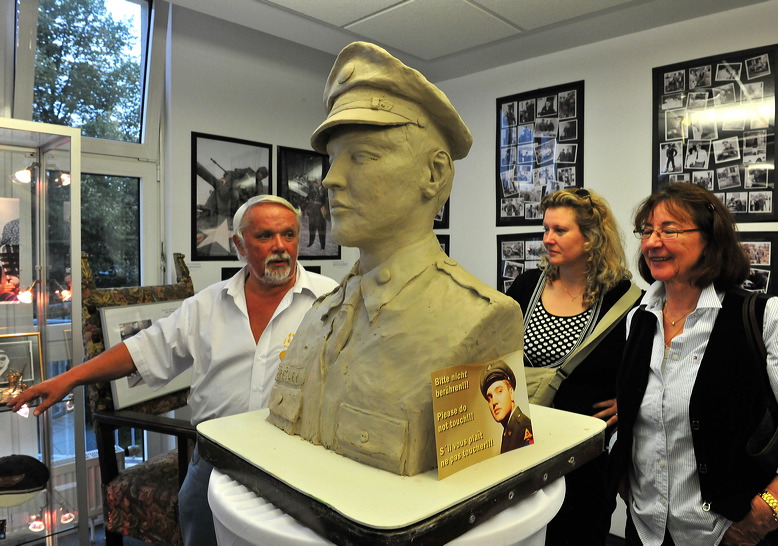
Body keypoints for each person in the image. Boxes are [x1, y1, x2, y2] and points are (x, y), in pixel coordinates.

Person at [8, 194, 338, 546]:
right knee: (199, 527)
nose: (280, 247)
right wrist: (68, 378)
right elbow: (141, 350)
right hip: (215, 459)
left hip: (293, 462)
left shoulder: (329, 300)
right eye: (264, 236)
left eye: (288, 235)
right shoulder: (207, 305)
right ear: (238, 244)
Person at [267, 41, 523, 477]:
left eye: (362, 157)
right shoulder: (321, 315)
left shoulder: (480, 320)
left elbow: (481, 481)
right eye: (332, 159)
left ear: (433, 174)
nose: (330, 179)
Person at [611, 182, 778, 545]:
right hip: (646, 531)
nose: (652, 242)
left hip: (729, 534)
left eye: (669, 230)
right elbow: (639, 417)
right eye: (647, 230)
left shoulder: (765, 317)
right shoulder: (638, 319)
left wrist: (764, 515)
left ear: (710, 239)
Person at [505, 187, 640, 545]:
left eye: (559, 230)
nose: (547, 239)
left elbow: (645, 365)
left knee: (578, 534)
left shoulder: (623, 298)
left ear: (592, 237)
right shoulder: (525, 285)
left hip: (585, 457)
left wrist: (628, 401)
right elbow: (495, 351)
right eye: (545, 229)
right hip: (521, 441)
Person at [480, 360, 534, 453]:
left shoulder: (523, 428)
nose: (494, 402)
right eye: (490, 398)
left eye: (499, 391)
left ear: (511, 392)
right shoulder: (509, 430)